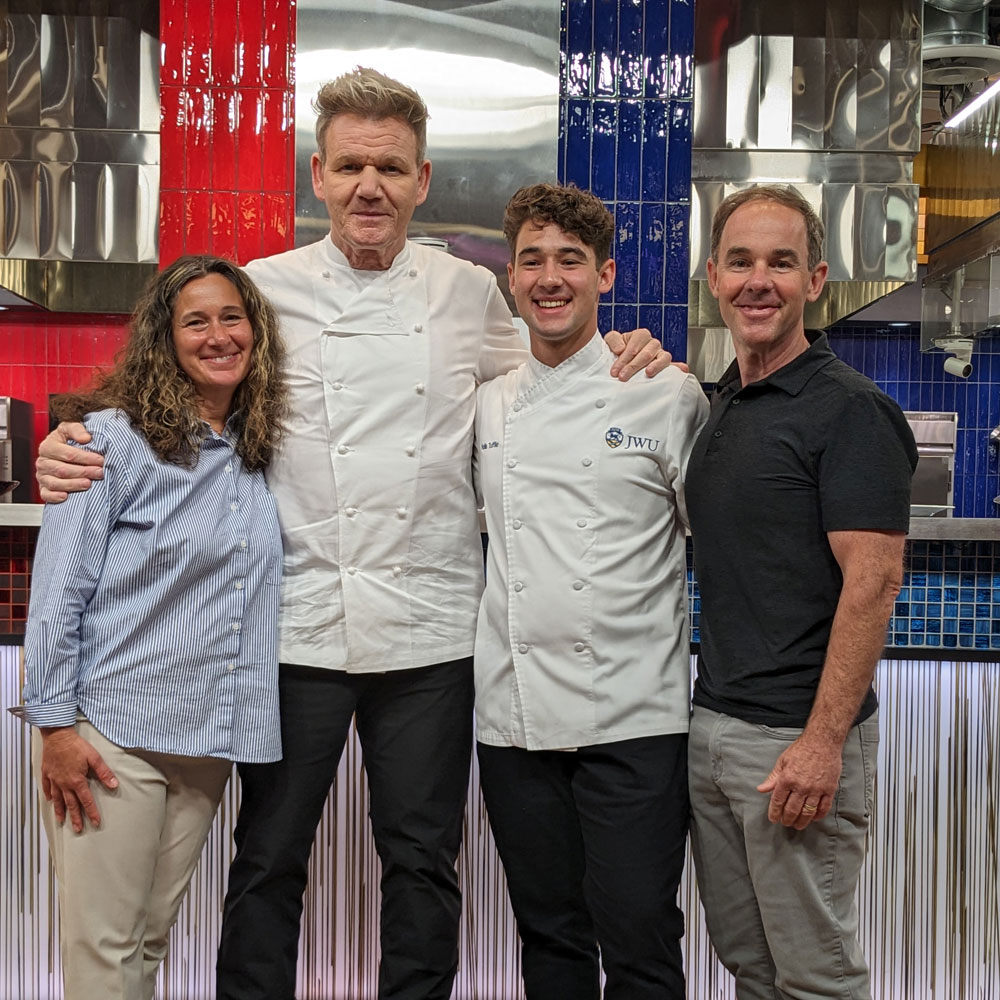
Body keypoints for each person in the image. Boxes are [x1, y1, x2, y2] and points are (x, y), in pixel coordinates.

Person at [34, 68, 671, 1000]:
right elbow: (179, 384)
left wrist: (630, 346)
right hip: (295, 627)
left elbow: (547, 378)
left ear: (422, 179)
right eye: (350, 166)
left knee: (423, 864)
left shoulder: (468, 291)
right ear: (318, 176)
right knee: (268, 860)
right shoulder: (262, 290)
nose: (370, 185)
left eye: (390, 167)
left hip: (431, 634)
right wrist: (70, 435)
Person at [19, 255, 286, 1000]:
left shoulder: (260, 449)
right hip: (113, 737)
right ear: (164, 340)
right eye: (195, 321)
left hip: (206, 745)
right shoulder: (110, 441)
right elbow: (57, 593)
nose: (218, 335)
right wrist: (54, 729)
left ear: (255, 331)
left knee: (147, 942)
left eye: (232, 317)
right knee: (104, 952)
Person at [473, 183, 707, 999]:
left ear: (605, 276)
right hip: (514, 720)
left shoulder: (666, 393)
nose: (549, 278)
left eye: (570, 261)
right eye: (532, 260)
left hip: (634, 718)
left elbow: (715, 540)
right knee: (549, 938)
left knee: (640, 937)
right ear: (511, 278)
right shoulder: (488, 404)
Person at [684, 184, 918, 1000]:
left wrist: (820, 744)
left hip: (796, 743)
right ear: (712, 275)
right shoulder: (720, 404)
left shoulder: (849, 412)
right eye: (741, 261)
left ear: (815, 280)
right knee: (751, 966)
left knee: (814, 978)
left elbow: (875, 583)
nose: (759, 281)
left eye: (781, 263)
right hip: (712, 726)